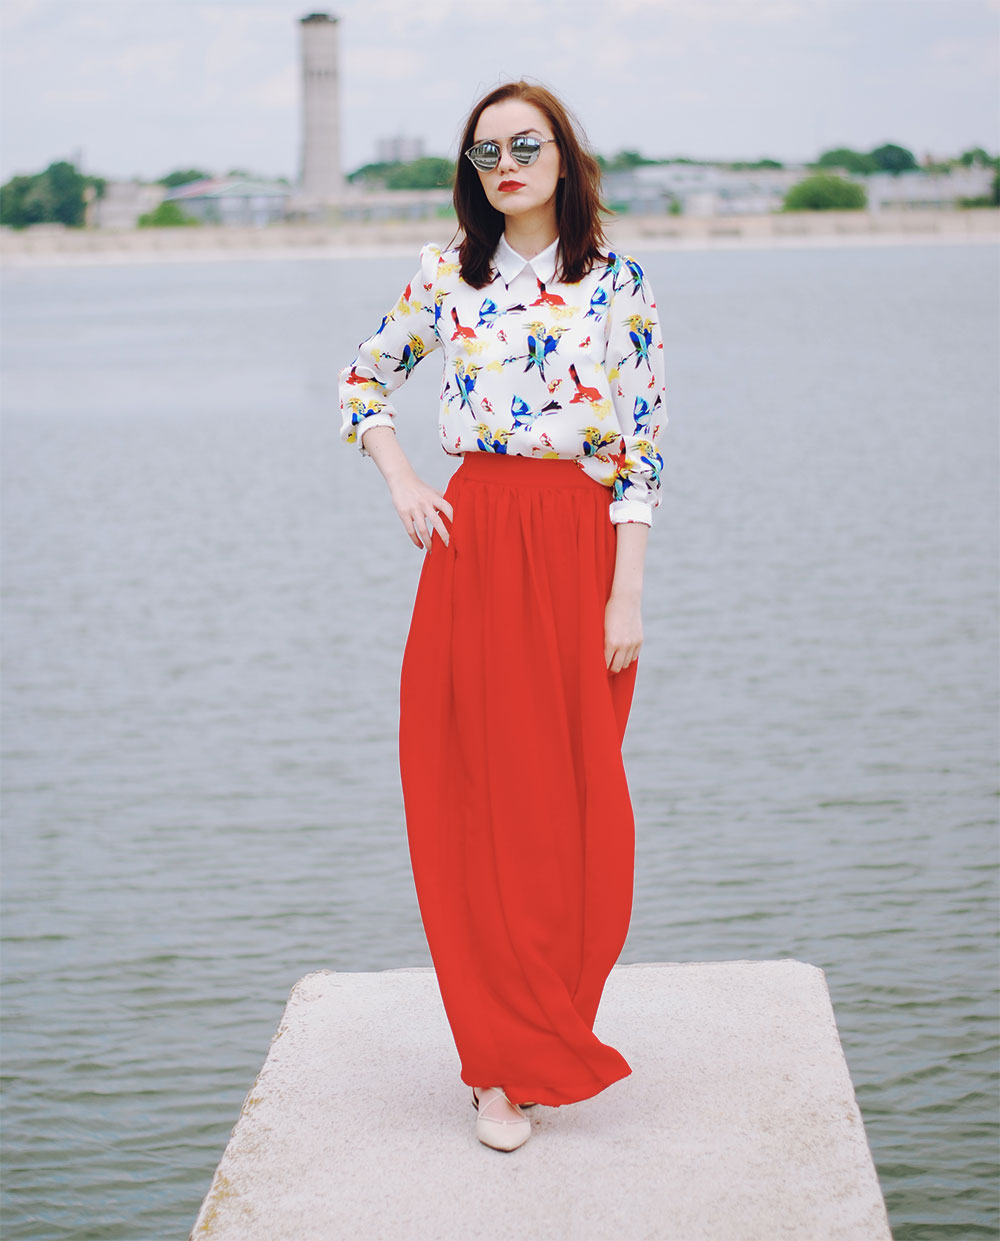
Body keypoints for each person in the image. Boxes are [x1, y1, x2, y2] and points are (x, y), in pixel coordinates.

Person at [338, 79, 667, 1153]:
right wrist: (402, 482)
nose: (506, 164)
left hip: (578, 552)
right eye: (485, 152)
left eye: (526, 145)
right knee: (474, 802)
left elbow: (639, 453)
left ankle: (551, 1023)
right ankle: (496, 1067)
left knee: (576, 809)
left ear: (565, 157)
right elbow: (363, 381)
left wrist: (626, 589)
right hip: (474, 544)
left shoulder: (618, 283)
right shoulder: (449, 274)